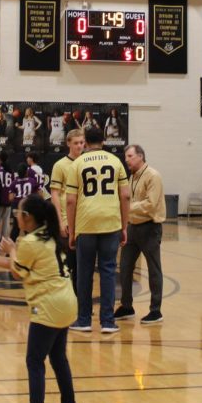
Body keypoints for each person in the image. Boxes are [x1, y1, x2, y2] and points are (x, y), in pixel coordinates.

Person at [0, 194, 79, 403]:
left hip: (49, 305)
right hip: (67, 301)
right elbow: (21, 265)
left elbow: (18, 272)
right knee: (58, 357)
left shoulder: (28, 242)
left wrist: (13, 249)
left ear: (27, 218)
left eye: (19, 212)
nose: (16, 215)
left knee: (34, 360)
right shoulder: (47, 235)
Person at [65, 126, 130, 334]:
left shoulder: (78, 164)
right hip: (111, 222)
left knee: (84, 273)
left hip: (86, 223)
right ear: (103, 141)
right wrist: (124, 226)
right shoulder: (115, 161)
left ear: (85, 143)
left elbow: (70, 200)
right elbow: (126, 196)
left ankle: (84, 319)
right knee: (108, 271)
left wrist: (73, 230)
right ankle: (108, 322)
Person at [114, 144, 165, 325]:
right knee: (125, 267)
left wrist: (127, 208)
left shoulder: (153, 176)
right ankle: (127, 306)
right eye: (126, 156)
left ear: (141, 156)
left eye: (130, 156)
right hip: (133, 227)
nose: (126, 160)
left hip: (150, 228)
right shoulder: (132, 176)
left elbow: (150, 204)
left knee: (153, 269)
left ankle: (156, 310)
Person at [49, 129, 86, 245]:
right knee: (69, 261)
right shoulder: (60, 165)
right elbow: (55, 195)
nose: (79, 146)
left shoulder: (88, 163)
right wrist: (60, 222)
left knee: (85, 262)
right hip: (67, 221)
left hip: (86, 220)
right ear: (68, 143)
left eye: (81, 142)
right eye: (76, 143)